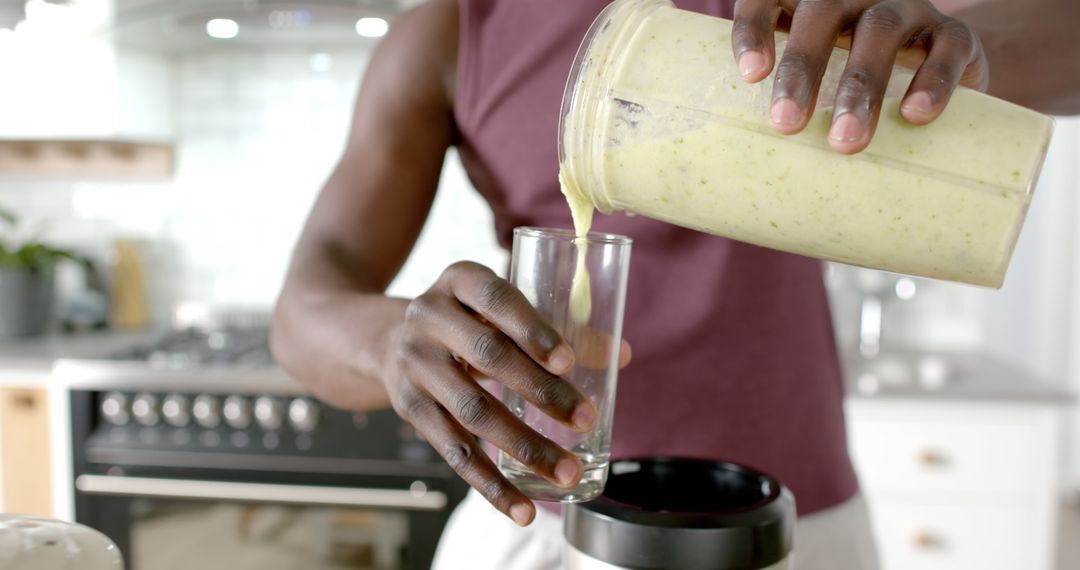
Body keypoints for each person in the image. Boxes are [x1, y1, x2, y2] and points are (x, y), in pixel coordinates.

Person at [271, 0, 1080, 568]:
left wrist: (958, 51)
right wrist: (389, 342)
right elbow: (305, 308)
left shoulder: (796, 14)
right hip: (548, 534)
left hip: (796, 529)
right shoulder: (450, 33)